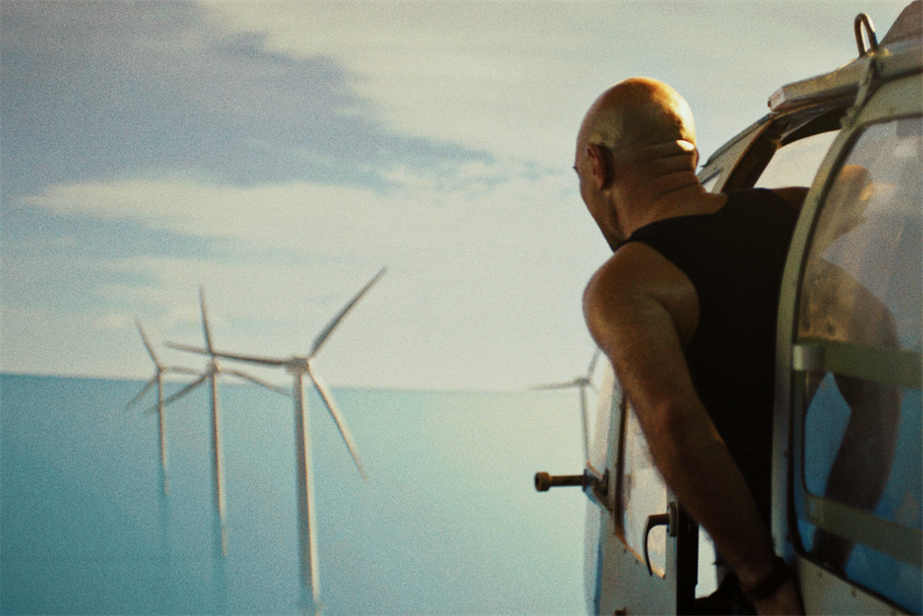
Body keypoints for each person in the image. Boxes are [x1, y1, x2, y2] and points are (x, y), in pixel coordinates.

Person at [577, 77, 804, 616]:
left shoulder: (624, 284)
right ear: (692, 155)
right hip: (848, 545)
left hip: (775, 575)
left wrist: (763, 582)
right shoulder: (801, 214)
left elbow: (675, 422)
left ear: (596, 166)